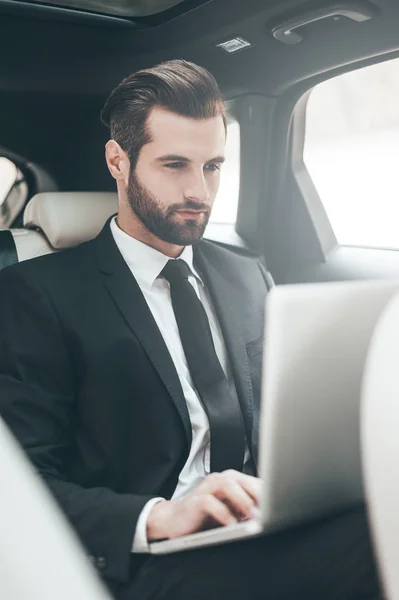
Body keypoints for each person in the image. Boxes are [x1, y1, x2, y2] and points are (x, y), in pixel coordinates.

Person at [0, 60, 381, 600]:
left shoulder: (247, 274)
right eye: (174, 164)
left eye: (214, 166)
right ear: (118, 161)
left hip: (259, 519)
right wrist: (161, 517)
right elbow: (19, 489)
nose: (199, 190)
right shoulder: (36, 295)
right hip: (147, 561)